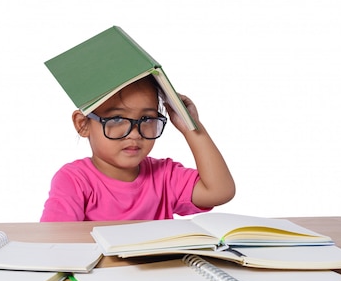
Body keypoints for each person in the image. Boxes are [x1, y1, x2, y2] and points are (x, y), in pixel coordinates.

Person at [40, 75, 235, 221]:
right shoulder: (73, 180)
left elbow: (220, 191)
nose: (135, 133)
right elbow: (57, 240)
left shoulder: (164, 176)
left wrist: (193, 129)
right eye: (117, 119)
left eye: (147, 119)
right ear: (83, 124)